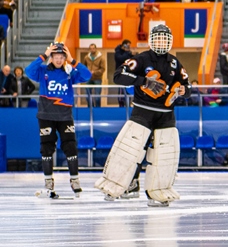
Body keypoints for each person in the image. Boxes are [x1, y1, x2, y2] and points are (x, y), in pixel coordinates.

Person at [95, 25, 192, 206]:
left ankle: (158, 192)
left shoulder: (175, 63)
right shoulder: (141, 59)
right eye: (158, 38)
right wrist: (143, 81)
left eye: (165, 39)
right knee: (129, 150)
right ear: (151, 40)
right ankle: (118, 185)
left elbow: (189, 88)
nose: (161, 43)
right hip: (143, 111)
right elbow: (118, 76)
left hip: (166, 115)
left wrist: (183, 90)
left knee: (164, 155)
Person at [25, 43, 92, 198]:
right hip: (46, 115)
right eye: (56, 56)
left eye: (62, 57)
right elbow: (29, 71)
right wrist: (44, 54)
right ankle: (48, 181)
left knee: (70, 147)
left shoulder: (70, 73)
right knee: (47, 148)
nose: (59, 60)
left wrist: (73, 60)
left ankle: (74, 180)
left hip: (65, 116)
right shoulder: (42, 71)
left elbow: (87, 75)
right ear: (52, 57)